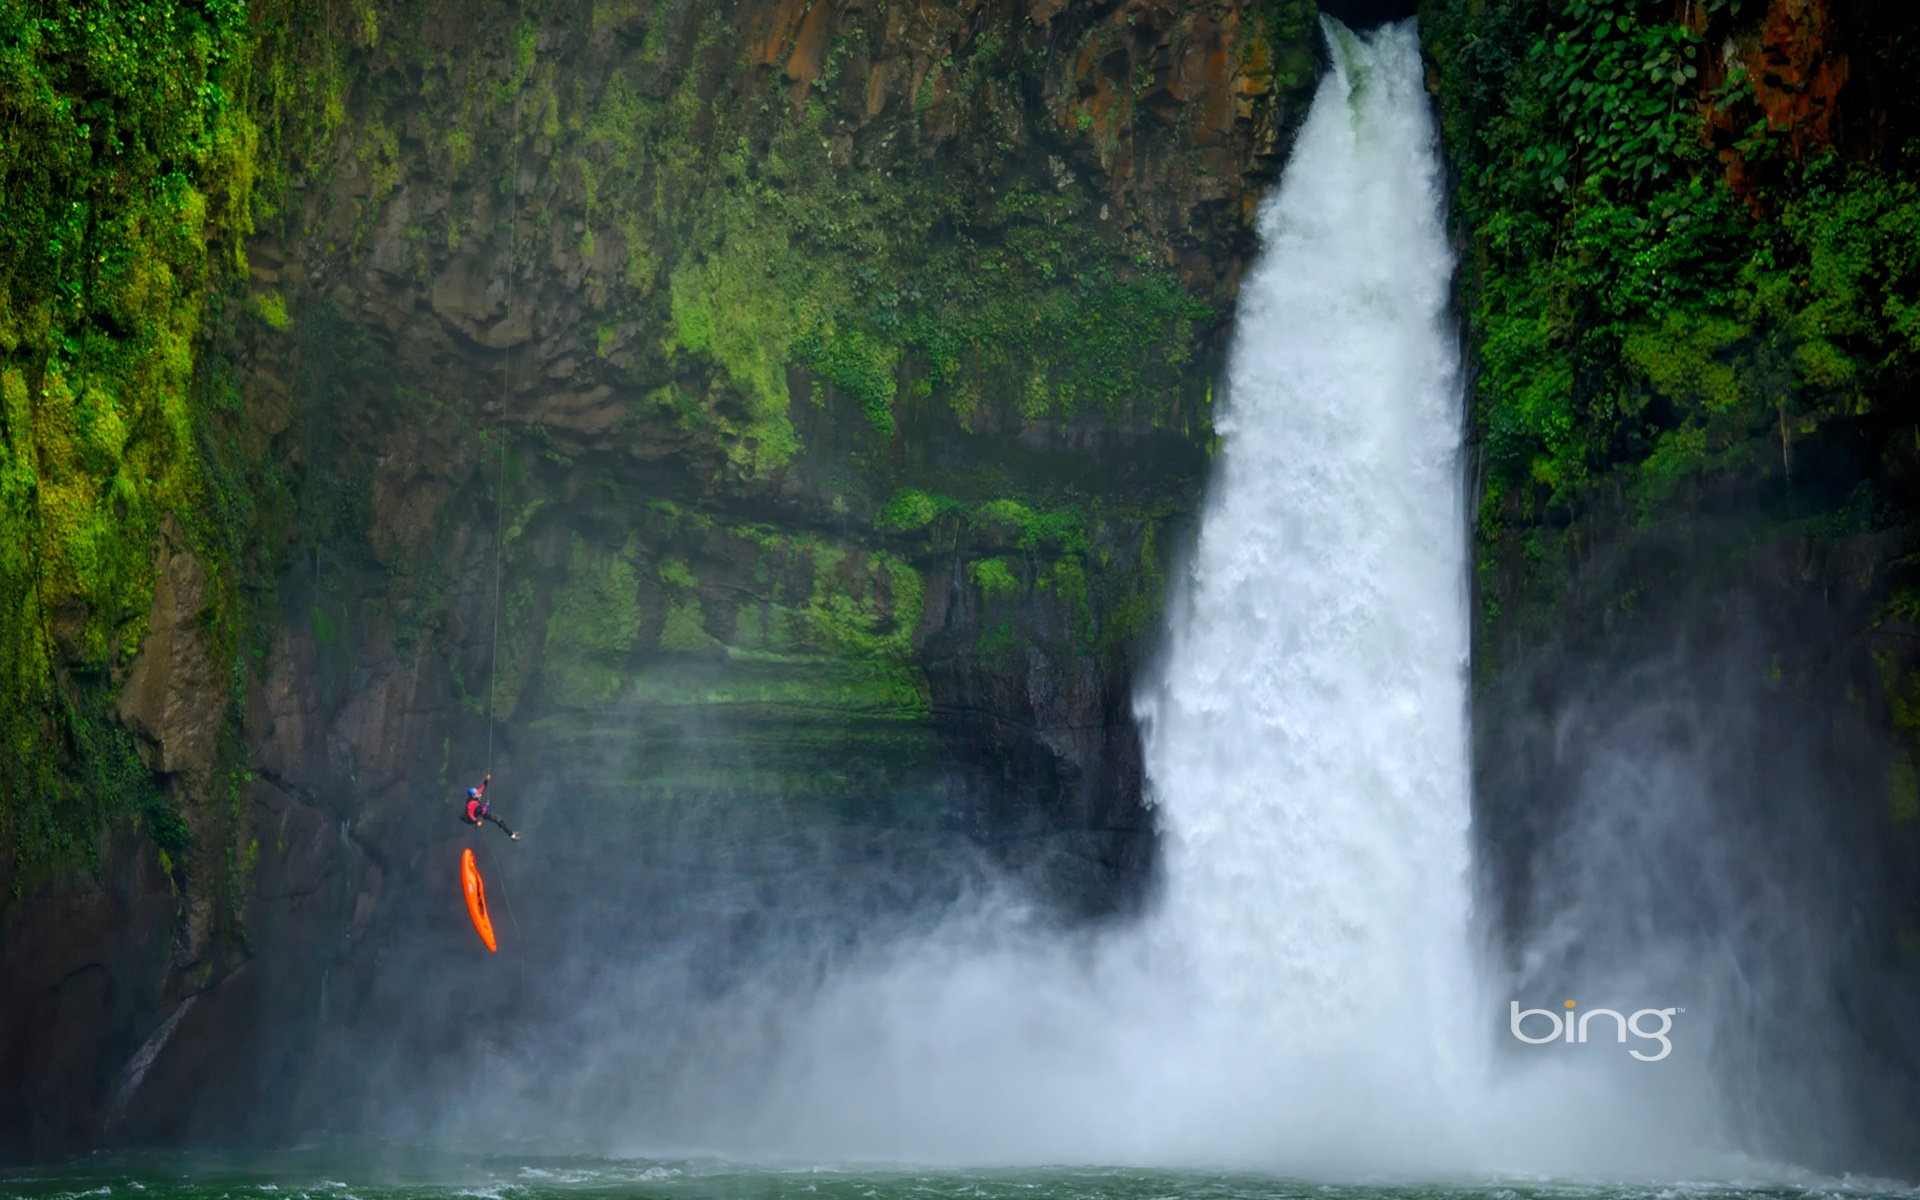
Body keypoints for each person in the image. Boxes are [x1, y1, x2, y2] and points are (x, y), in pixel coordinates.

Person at [461, 773, 520, 840]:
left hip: (480, 810)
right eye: (475, 793)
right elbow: (470, 814)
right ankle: (512, 836)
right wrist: (477, 821)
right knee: (499, 820)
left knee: (500, 820)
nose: (478, 793)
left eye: (477, 793)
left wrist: (486, 780)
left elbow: (482, 788)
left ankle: (511, 833)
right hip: (478, 814)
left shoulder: (476, 795)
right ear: (472, 796)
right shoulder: (471, 804)